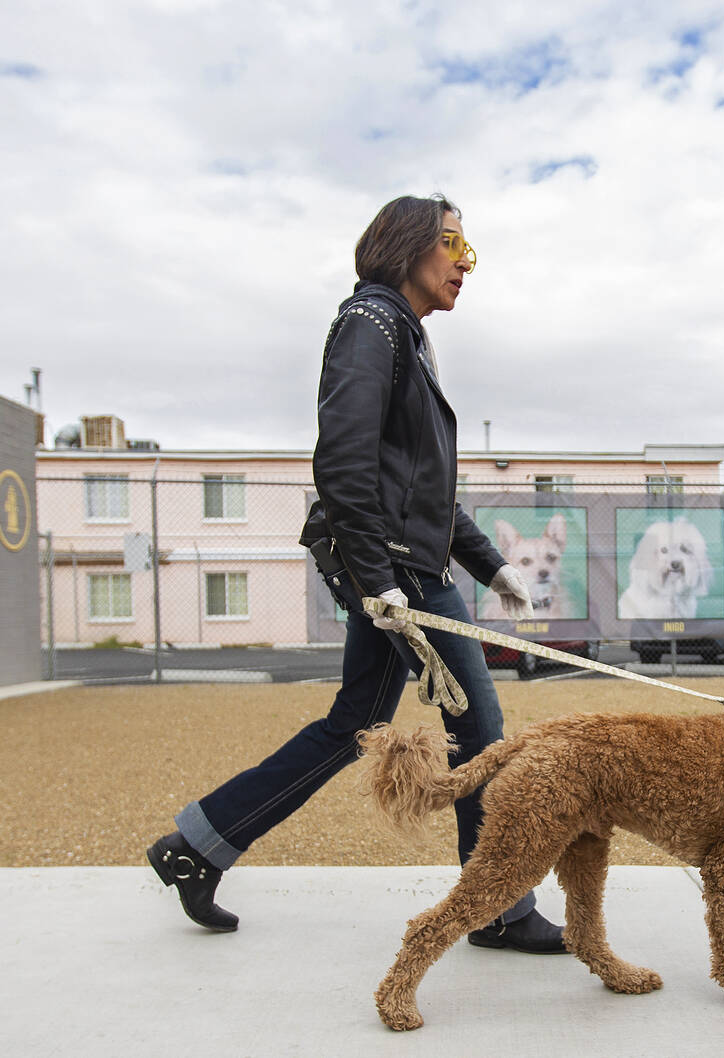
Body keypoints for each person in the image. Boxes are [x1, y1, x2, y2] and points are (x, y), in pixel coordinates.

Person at [146, 194, 566, 954]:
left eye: (470, 250)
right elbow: (341, 464)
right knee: (480, 732)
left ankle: (197, 845)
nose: (466, 264)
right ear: (408, 245)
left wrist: (493, 566)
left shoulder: (399, 332)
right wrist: (380, 582)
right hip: (397, 575)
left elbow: (421, 497)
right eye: (453, 245)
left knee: (351, 727)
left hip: (406, 568)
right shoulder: (370, 325)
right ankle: (499, 907)